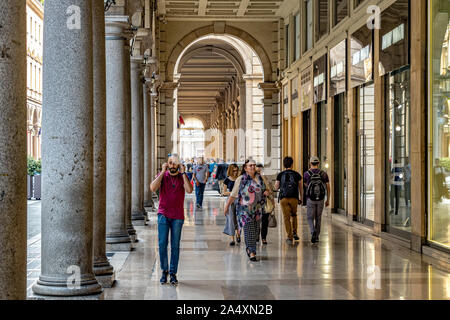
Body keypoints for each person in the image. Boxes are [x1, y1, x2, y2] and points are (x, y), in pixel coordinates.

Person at [150, 155, 193, 285]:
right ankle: (164, 270)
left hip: (178, 216)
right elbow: (152, 188)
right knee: (162, 244)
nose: (173, 165)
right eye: (170, 163)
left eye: (175, 163)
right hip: (163, 214)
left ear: (179, 165)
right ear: (167, 164)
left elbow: (190, 190)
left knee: (175, 245)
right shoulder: (163, 176)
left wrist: (184, 172)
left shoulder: (182, 177)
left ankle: (173, 273)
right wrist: (162, 172)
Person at [224, 160, 269, 261]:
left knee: (256, 230)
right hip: (244, 210)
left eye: (254, 165)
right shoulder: (241, 179)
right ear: (245, 168)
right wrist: (227, 206)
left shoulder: (260, 178)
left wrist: (266, 192)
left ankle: (251, 248)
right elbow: (233, 194)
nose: (253, 167)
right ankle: (251, 251)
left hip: (257, 209)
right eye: (250, 165)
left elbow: (266, 189)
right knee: (249, 231)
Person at [275, 156, 303, 243]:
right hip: (294, 198)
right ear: (292, 164)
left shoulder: (280, 174)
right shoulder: (296, 174)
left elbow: (276, 187)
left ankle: (289, 236)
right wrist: (301, 197)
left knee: (286, 218)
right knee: (294, 215)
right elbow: (301, 187)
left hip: (284, 198)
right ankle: (295, 232)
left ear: (284, 164)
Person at [303, 156, 330, 244]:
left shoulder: (306, 173)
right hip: (321, 199)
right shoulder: (323, 174)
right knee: (318, 217)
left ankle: (312, 232)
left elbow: (306, 185)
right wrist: (328, 199)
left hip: (310, 198)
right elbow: (328, 187)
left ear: (310, 163)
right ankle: (317, 236)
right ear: (318, 164)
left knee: (310, 217)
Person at [222, 163, 241, 246]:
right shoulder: (227, 180)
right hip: (230, 200)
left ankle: (238, 234)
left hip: (239, 200)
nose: (235, 173)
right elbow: (224, 192)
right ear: (230, 171)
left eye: (236, 171)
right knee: (231, 219)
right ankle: (232, 238)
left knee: (238, 218)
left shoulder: (240, 179)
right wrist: (232, 193)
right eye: (234, 171)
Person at [256, 164, 274, 245]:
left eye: (260, 169)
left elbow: (270, 190)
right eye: (257, 169)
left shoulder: (264, 178)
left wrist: (269, 194)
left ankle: (263, 238)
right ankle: (256, 236)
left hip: (265, 203)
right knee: (256, 221)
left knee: (265, 221)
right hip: (255, 204)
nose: (259, 170)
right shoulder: (252, 179)